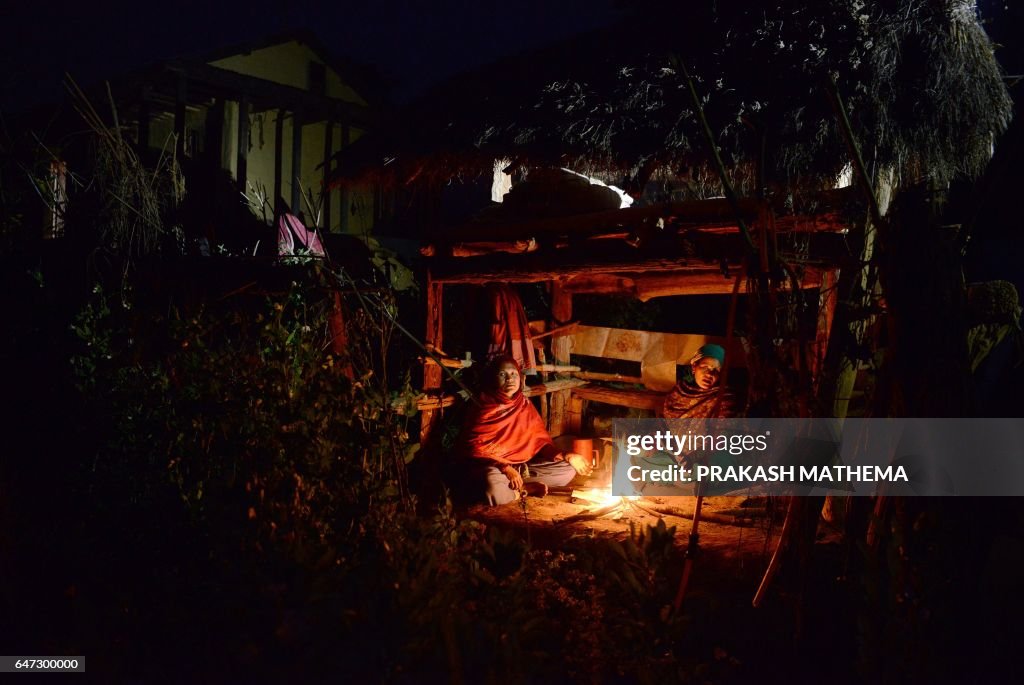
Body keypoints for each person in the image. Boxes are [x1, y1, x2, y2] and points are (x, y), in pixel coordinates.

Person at [455, 355, 592, 506]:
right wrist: (505, 468)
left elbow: (540, 444)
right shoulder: (483, 407)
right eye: (502, 374)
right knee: (491, 487)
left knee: (567, 470)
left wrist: (566, 455)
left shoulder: (524, 405)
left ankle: (519, 485)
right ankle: (521, 491)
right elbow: (474, 450)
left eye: (514, 374)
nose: (510, 379)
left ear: (520, 377)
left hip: (523, 469)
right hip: (495, 470)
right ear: (492, 379)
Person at [662, 343, 737, 419]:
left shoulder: (724, 398)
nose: (709, 374)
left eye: (716, 370)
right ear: (694, 367)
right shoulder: (678, 392)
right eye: (705, 367)